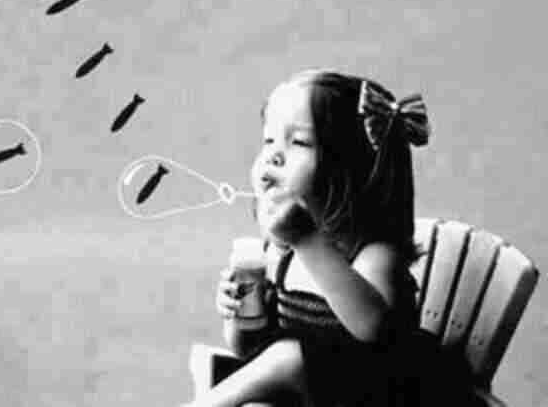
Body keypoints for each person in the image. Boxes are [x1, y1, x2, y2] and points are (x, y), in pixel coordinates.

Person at [191, 69, 465, 407]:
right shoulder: (281, 253)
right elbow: (249, 351)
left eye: (298, 142)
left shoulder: (374, 253)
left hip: (385, 396)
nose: (274, 156)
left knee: (289, 357)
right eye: (269, 141)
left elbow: (373, 330)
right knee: (267, 368)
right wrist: (239, 317)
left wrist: (307, 242)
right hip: (311, 397)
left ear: (348, 167)